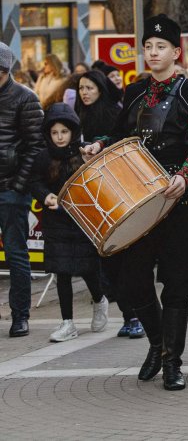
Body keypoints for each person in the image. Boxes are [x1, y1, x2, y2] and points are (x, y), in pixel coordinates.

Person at [82, 14, 188, 390]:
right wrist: (99, 145)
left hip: (178, 204)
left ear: (176, 52)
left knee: (178, 286)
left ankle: (172, 363)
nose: (152, 52)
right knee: (133, 283)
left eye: (160, 46)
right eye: (148, 46)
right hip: (139, 204)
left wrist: (183, 176)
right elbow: (119, 136)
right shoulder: (133, 93)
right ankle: (157, 343)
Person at [31, 104, 109, 341]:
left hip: (82, 219)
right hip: (56, 220)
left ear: (73, 131)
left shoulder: (83, 150)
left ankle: (99, 300)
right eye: (54, 133)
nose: (59, 137)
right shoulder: (44, 156)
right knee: (61, 271)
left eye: (64, 132)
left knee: (88, 269)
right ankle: (67, 323)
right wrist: (46, 196)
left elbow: (98, 177)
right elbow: (34, 182)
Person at [73, 70, 141, 338]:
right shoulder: (78, 116)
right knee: (107, 261)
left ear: (101, 88)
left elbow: (120, 146)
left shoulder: (112, 114)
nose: (85, 93)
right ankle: (128, 312)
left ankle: (134, 315)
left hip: (115, 193)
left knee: (121, 257)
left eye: (90, 87)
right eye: (81, 88)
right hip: (91, 196)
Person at [0, 43, 44, 337]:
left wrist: (18, 184)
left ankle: (20, 316)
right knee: (16, 253)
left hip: (11, 187)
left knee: (16, 253)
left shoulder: (24, 98)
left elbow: (36, 147)